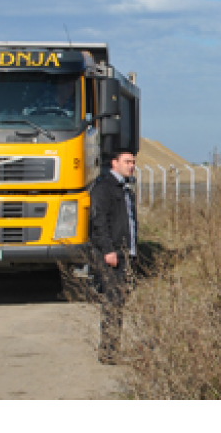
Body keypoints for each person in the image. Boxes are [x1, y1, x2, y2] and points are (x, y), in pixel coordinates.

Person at [90, 150, 138, 365]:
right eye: (127, 162)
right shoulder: (104, 188)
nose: (131, 166)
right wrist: (108, 250)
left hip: (127, 255)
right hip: (113, 256)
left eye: (133, 162)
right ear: (114, 163)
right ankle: (108, 351)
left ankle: (113, 348)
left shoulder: (126, 189)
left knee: (120, 303)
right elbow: (99, 223)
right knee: (112, 303)